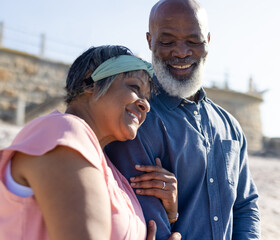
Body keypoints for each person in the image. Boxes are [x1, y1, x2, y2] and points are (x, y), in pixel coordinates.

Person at [105, 0, 261, 239]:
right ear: (150, 41)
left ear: (208, 41)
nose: (180, 52)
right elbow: (147, 225)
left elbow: (245, 205)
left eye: (193, 41)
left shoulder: (230, 126)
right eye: (167, 41)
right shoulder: (136, 119)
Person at [0, 45, 181, 240]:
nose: (145, 105)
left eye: (147, 98)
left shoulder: (108, 167)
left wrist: (170, 215)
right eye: (134, 87)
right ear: (90, 83)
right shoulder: (64, 132)